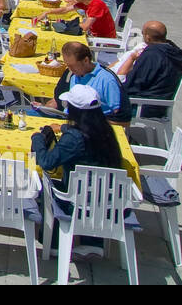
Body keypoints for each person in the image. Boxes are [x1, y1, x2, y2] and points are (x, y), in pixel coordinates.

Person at [31, 83, 126, 255]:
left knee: (48, 187)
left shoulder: (74, 139)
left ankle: (54, 244)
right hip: (108, 200)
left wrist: (37, 138)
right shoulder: (106, 130)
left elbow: (46, 161)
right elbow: (85, 131)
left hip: (80, 202)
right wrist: (63, 128)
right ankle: (93, 242)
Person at [112, 21, 182, 119]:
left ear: (147, 37)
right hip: (159, 103)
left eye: (142, 33)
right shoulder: (173, 52)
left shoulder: (151, 54)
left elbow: (134, 83)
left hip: (144, 106)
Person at [34, 41, 125, 121]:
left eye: (72, 65)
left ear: (86, 60)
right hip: (68, 120)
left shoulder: (107, 80)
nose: (69, 69)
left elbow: (119, 115)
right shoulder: (74, 75)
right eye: (67, 65)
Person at [34, 0, 117, 39]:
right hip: (95, 35)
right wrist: (47, 12)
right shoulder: (85, 2)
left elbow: (85, 27)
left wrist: (66, 24)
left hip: (104, 39)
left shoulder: (96, 4)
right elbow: (65, 9)